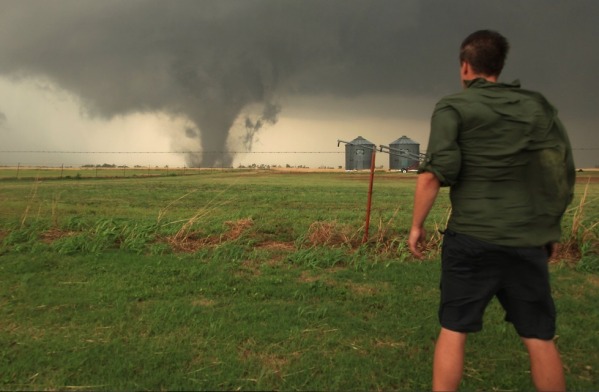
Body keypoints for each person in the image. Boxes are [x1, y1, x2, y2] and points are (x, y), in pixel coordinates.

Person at [408, 30, 575, 391]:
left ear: (465, 67)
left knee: (453, 329)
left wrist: (416, 227)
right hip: (524, 240)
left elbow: (434, 175)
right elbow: (559, 171)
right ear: (499, 66)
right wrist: (548, 228)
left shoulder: (453, 107)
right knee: (539, 338)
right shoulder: (536, 107)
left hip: (470, 238)